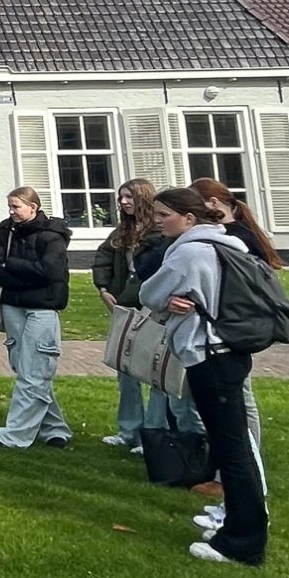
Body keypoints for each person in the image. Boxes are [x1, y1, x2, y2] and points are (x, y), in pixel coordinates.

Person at [139, 185, 270, 567]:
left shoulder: (190, 253)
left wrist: (166, 301)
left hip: (209, 355)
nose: (159, 222)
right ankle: (236, 522)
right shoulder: (225, 243)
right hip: (230, 350)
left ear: (190, 219)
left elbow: (149, 293)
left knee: (231, 449)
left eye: (164, 215)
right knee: (235, 446)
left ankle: (243, 542)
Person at [0, 187, 72, 450]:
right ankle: (55, 429)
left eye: (16, 207)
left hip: (42, 307)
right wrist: (17, 273)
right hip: (13, 305)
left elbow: (49, 270)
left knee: (34, 370)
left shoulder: (52, 235)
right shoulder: (6, 229)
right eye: (9, 207)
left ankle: (14, 435)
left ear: (33, 207)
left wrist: (11, 265)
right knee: (25, 368)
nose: (11, 212)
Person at [94, 180, 162, 450]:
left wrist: (123, 300)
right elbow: (103, 258)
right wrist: (103, 288)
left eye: (129, 197)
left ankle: (154, 433)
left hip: (150, 309)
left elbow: (149, 276)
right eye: (121, 197)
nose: (123, 202)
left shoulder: (159, 232)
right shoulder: (123, 231)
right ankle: (129, 429)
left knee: (155, 373)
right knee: (125, 371)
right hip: (125, 309)